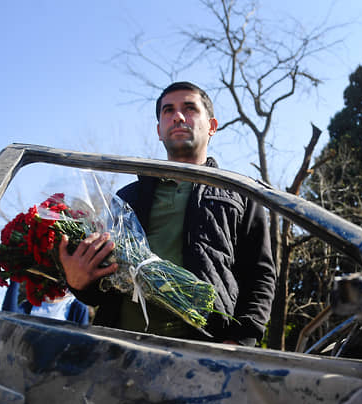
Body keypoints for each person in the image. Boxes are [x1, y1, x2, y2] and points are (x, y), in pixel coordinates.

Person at [59, 81, 276, 346]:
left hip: (206, 354)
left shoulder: (240, 195)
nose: (178, 116)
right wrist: (78, 282)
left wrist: (241, 342)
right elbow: (103, 280)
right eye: (168, 111)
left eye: (190, 108)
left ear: (212, 127)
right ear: (159, 131)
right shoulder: (126, 199)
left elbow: (260, 275)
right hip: (120, 350)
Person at [2, 280, 90, 326]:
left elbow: (81, 346)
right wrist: (15, 279)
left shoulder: (78, 308)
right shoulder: (31, 304)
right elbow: (8, 317)